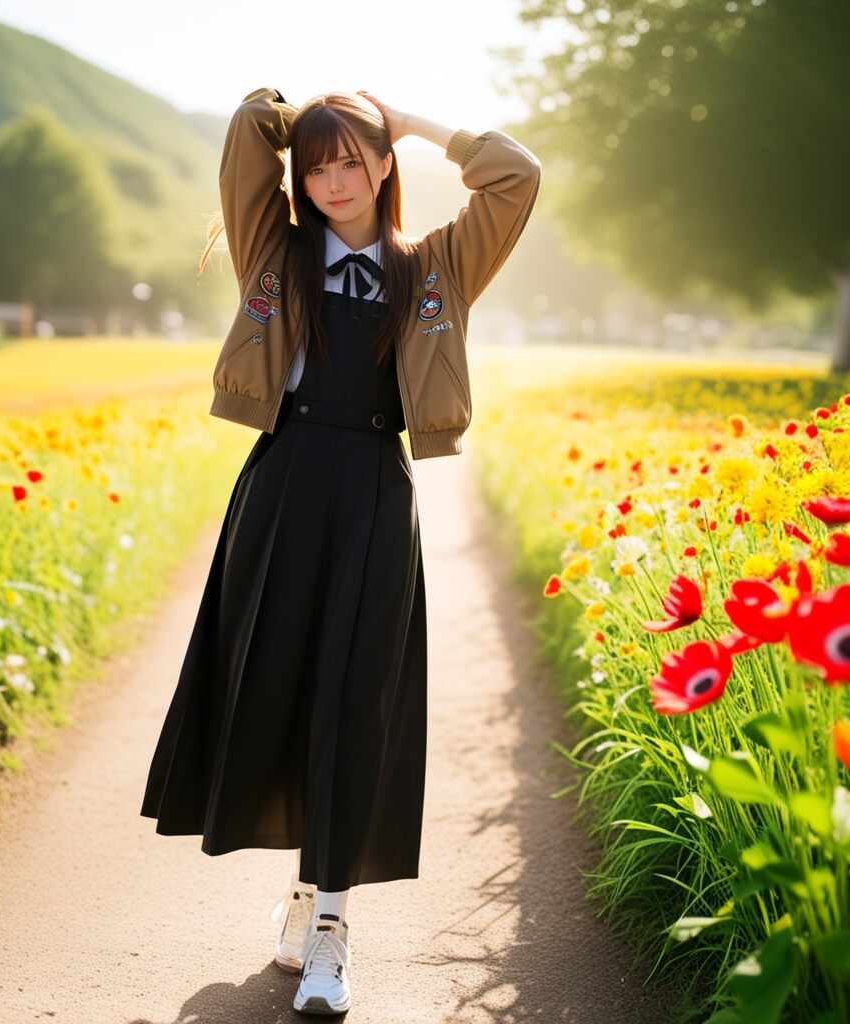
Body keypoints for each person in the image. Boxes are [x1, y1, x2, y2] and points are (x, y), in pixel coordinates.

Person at [140, 87, 540, 1016]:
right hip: (280, 489)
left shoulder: (435, 265)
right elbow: (245, 134)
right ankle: (302, 888)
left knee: (356, 703)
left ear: (386, 163)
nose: (333, 180)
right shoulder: (274, 251)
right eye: (316, 164)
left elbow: (516, 177)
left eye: (353, 159)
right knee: (279, 690)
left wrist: (412, 122)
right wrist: (312, 115)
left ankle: (330, 929)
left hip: (373, 489)